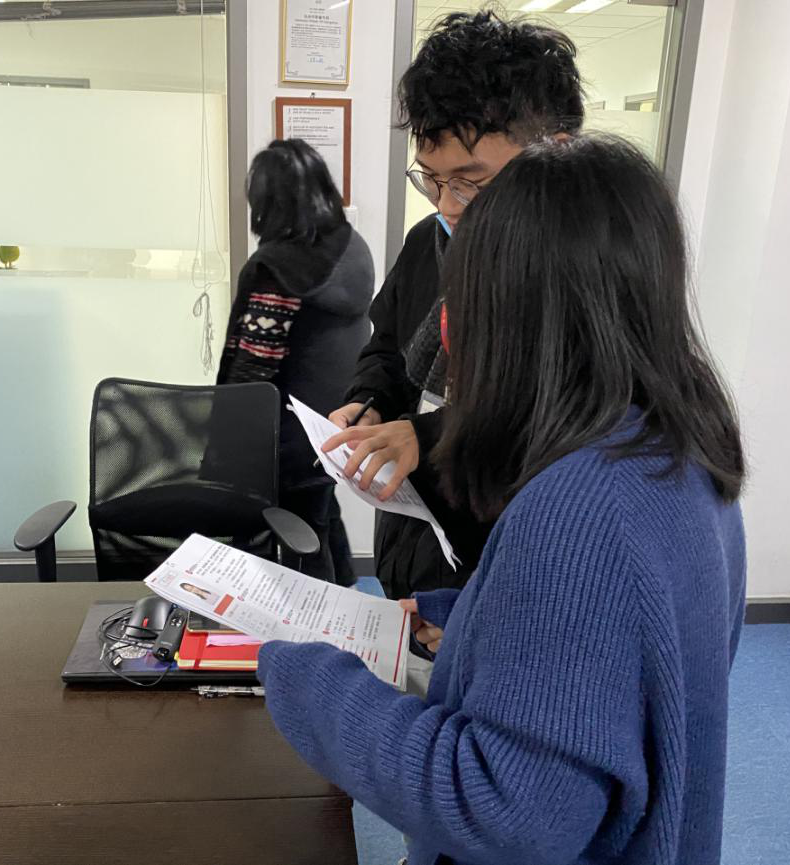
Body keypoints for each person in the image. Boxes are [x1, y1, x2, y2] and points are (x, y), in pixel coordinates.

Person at [257, 135, 748, 865]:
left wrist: (306, 676)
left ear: (506, 317)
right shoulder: (679, 444)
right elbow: (625, 661)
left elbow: (503, 809)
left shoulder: (581, 508)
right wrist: (475, 617)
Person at [321, 11, 585, 599]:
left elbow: (568, 419)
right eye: (431, 180)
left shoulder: (586, 277)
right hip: (420, 534)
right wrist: (371, 402)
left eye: (472, 182)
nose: (449, 205)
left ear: (557, 154)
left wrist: (431, 434)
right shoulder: (431, 242)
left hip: (510, 568)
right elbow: (388, 346)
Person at [217, 139, 373, 585]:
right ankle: (348, 597)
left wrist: (222, 445)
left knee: (301, 538)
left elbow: (252, 370)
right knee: (320, 516)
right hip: (334, 425)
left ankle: (321, 621)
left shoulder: (280, 269)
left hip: (285, 437)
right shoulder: (351, 247)